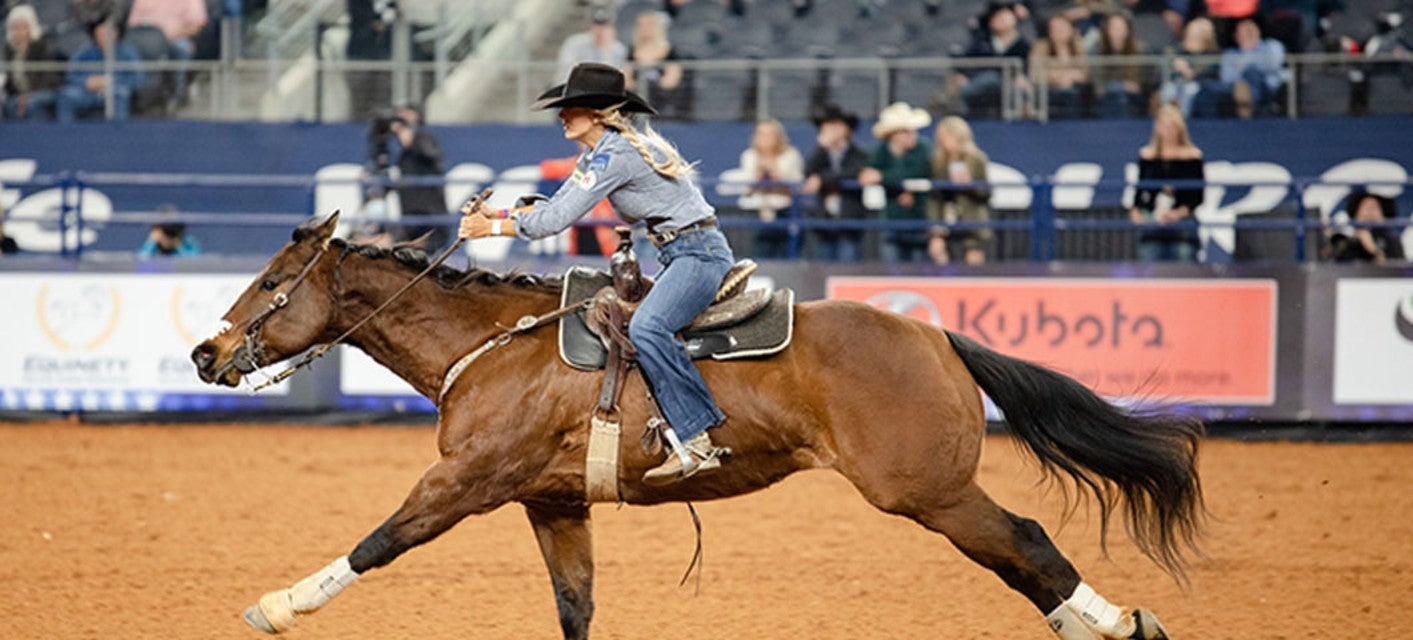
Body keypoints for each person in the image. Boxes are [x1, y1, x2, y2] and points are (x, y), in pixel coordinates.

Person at [457, 63, 733, 486]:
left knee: (648, 329)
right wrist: (501, 214)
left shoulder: (613, 156)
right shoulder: (602, 153)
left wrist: (490, 229)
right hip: (685, 252)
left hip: (696, 255)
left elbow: (554, 221)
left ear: (599, 113)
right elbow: (553, 209)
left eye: (572, 108)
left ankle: (696, 438)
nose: (562, 116)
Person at [859, 102, 933, 263]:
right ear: (893, 135)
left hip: (918, 220)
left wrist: (883, 177)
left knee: (918, 270)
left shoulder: (922, 148)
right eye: (906, 131)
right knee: (891, 270)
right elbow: (867, 174)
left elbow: (918, 172)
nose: (912, 135)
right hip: (892, 219)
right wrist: (899, 183)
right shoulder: (882, 151)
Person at [1129, 104, 1204, 262]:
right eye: (1163, 125)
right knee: (1149, 268)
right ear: (1157, 128)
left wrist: (1177, 213)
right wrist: (1135, 210)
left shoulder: (1192, 156)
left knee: (1183, 267)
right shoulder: (1147, 155)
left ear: (1179, 128)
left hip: (1182, 221)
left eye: (1172, 125)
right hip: (1153, 219)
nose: (1168, 130)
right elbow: (1140, 190)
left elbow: (1197, 195)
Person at [800, 104, 869, 262]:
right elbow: (808, 171)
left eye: (835, 125)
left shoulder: (858, 153)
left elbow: (852, 173)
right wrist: (821, 147)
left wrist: (822, 179)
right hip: (824, 224)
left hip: (849, 223)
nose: (831, 130)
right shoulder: (821, 153)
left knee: (848, 266)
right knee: (821, 265)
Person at [950, 1, 1032, 119]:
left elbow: (1029, 67)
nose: (1001, 19)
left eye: (1005, 15)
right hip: (982, 90)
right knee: (989, 78)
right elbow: (967, 63)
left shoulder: (1024, 46)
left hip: (1010, 89)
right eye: (996, 17)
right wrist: (964, 76)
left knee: (996, 80)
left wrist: (1022, 77)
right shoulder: (982, 44)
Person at [383, 104, 449, 250]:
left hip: (428, 211)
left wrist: (412, 139)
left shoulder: (423, 137)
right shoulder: (399, 150)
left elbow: (432, 157)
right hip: (411, 211)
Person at [929, 116, 993, 265]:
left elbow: (986, 193)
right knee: (944, 268)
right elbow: (935, 198)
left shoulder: (976, 159)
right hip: (947, 222)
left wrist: (971, 185)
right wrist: (935, 231)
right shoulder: (938, 162)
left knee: (974, 269)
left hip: (973, 224)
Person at [737, 118, 804, 259]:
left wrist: (774, 172)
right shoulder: (749, 156)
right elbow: (749, 184)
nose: (765, 138)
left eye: (770, 134)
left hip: (784, 211)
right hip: (757, 212)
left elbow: (793, 183)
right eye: (761, 134)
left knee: (785, 256)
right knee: (757, 255)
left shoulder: (790, 155)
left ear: (779, 136)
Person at [56, 18, 144, 122]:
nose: (104, 38)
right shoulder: (84, 52)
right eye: (100, 34)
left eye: (107, 33)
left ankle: (118, 133)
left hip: (114, 91)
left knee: (120, 94)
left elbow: (137, 79)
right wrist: (87, 82)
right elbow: (71, 76)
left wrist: (110, 81)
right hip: (86, 92)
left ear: (115, 34)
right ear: (95, 35)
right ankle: (67, 133)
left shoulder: (127, 52)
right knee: (67, 95)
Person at [126, 0, 208, 111]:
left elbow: (197, 25)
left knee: (183, 48)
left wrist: (171, 36)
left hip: (176, 39)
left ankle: (178, 96)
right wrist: (155, 39)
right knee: (127, 50)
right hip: (147, 41)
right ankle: (136, 96)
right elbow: (132, 23)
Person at [1211, 17, 1286, 119]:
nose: (1249, 31)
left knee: (1252, 73)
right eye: (1244, 30)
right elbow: (1226, 78)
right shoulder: (1230, 54)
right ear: (1236, 36)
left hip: (1267, 89)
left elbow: (1273, 67)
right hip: (1235, 92)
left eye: (1251, 28)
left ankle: (1249, 118)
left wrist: (1247, 61)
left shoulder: (1271, 46)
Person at [623, 10, 689, 119]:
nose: (645, 29)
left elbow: (672, 80)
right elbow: (626, 79)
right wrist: (639, 87)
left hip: (662, 102)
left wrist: (652, 86)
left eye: (649, 25)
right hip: (637, 101)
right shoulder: (632, 51)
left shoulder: (669, 51)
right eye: (642, 25)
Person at [3, 5, 64, 120]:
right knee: (10, 105)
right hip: (19, 95)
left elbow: (48, 79)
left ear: (31, 27)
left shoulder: (42, 47)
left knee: (32, 104)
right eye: (15, 27)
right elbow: (10, 82)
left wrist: (27, 97)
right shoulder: (10, 50)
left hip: (45, 91)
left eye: (23, 27)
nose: (19, 32)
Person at [1029, 13, 1088, 119]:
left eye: (1062, 27)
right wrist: (1057, 78)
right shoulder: (1040, 46)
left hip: (1073, 89)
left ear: (1071, 29)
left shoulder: (1078, 47)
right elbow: (1035, 72)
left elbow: (1085, 74)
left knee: (1071, 92)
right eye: (1055, 28)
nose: (1058, 31)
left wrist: (1068, 77)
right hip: (1047, 89)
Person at [1158, 16, 1220, 118]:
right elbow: (1166, 70)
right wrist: (1176, 68)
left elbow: (1208, 75)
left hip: (1199, 87)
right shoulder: (1175, 50)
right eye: (1192, 31)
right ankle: (1167, 120)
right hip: (1175, 84)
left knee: (1190, 89)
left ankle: (1183, 119)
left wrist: (1187, 72)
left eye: (1199, 32)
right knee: (1168, 89)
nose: (1194, 35)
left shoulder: (1211, 55)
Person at [1092, 11, 1149, 118]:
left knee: (1120, 96)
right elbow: (1098, 89)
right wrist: (1122, 85)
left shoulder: (1141, 51)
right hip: (1106, 99)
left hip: (1134, 99)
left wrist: (1117, 85)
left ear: (1128, 30)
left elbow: (1141, 86)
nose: (1118, 31)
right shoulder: (1097, 52)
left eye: (1121, 27)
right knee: (1116, 94)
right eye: (1114, 27)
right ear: (1107, 30)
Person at [555, 6, 628, 82]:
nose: (600, 31)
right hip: (574, 86)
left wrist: (606, 51)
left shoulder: (619, 49)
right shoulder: (574, 43)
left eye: (605, 27)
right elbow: (566, 72)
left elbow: (618, 77)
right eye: (596, 26)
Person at [1330, 190, 1405, 264]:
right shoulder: (1344, 238)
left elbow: (1398, 270)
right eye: (1366, 207)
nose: (1370, 212)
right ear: (1356, 214)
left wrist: (1373, 250)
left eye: (1374, 208)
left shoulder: (1392, 240)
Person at [137, 205, 202, 258]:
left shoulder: (188, 241)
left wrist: (178, 245)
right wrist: (152, 242)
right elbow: (140, 262)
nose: (168, 232)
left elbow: (195, 262)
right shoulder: (153, 243)